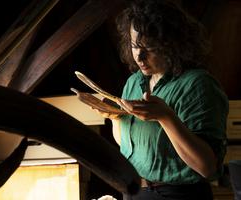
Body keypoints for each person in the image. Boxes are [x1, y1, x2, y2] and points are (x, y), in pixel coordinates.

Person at [96, 0, 229, 199]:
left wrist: (166, 117)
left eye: (150, 48)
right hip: (134, 190)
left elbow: (206, 167)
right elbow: (130, 146)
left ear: (173, 45)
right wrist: (115, 117)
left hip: (178, 194)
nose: (139, 57)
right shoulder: (134, 82)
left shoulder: (197, 85)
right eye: (134, 46)